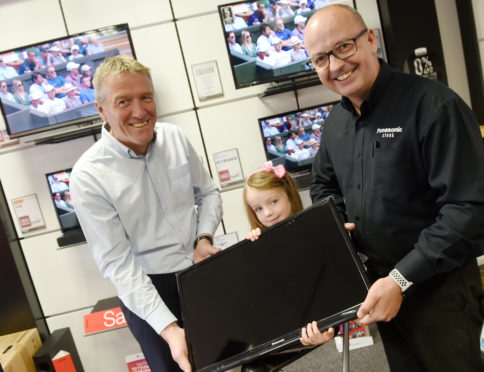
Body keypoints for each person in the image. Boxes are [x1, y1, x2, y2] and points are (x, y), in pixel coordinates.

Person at [304, 5, 484, 372]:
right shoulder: (335, 125)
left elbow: (469, 209)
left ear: (370, 40)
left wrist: (401, 280)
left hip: (439, 292)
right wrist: (337, 224)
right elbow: (323, 186)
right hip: (381, 294)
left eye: (342, 48)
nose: (335, 65)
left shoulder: (434, 106)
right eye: (320, 58)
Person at [70, 55, 223, 372]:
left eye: (146, 97)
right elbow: (118, 264)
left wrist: (203, 237)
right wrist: (168, 330)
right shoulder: (88, 175)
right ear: (102, 110)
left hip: (199, 275)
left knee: (229, 359)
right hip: (147, 290)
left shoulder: (175, 138)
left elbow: (208, 193)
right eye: (123, 101)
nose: (139, 111)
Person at [243, 161, 335, 346]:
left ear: (290, 196)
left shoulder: (312, 230)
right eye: (259, 209)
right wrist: (253, 246)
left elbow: (332, 284)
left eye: (274, 202)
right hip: (284, 324)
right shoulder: (261, 242)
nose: (268, 213)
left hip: (322, 316)